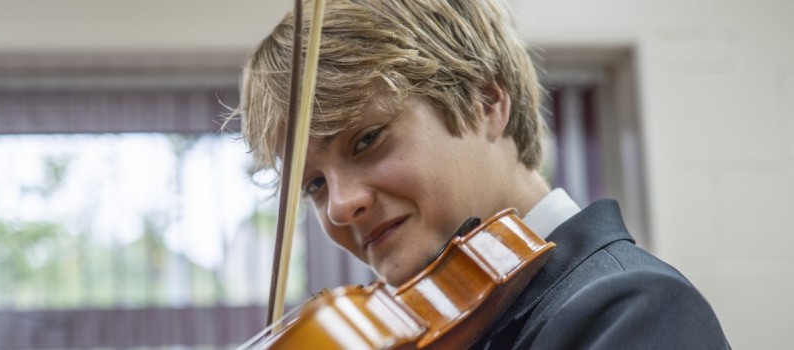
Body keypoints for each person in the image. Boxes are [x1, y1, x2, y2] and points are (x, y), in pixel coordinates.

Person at [228, 0, 729, 348]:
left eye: (367, 139)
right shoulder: (442, 331)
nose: (339, 205)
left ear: (486, 101)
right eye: (313, 184)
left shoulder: (632, 309)